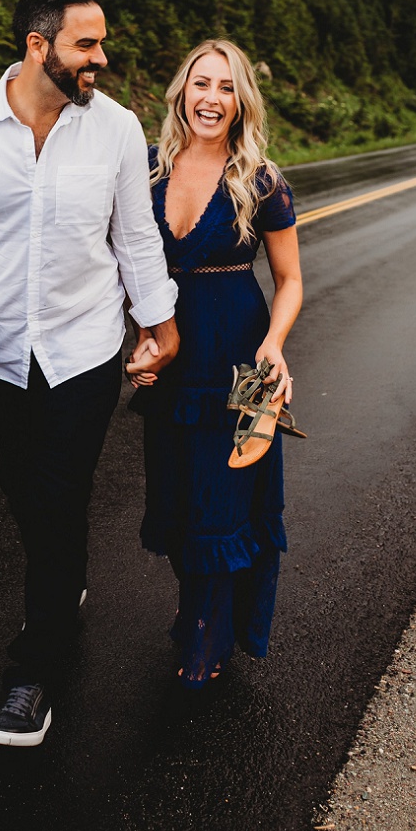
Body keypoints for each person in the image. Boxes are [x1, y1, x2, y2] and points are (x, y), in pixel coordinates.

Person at [0, 0, 179, 747]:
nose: (101, 59)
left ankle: (34, 673)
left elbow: (135, 239)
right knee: (32, 503)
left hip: (84, 354)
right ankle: (62, 585)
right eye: (85, 45)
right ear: (38, 46)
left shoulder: (118, 130)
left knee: (58, 502)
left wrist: (161, 326)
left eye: (102, 44)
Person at [127, 39, 303, 690]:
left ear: (241, 101)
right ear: (181, 92)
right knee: (175, 497)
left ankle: (209, 626)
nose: (211, 98)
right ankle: (198, 603)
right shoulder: (145, 169)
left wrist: (275, 343)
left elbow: (289, 280)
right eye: (201, 83)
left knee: (224, 500)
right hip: (171, 355)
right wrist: (141, 343)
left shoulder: (262, 179)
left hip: (237, 355)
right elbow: (129, 269)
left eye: (226, 87)